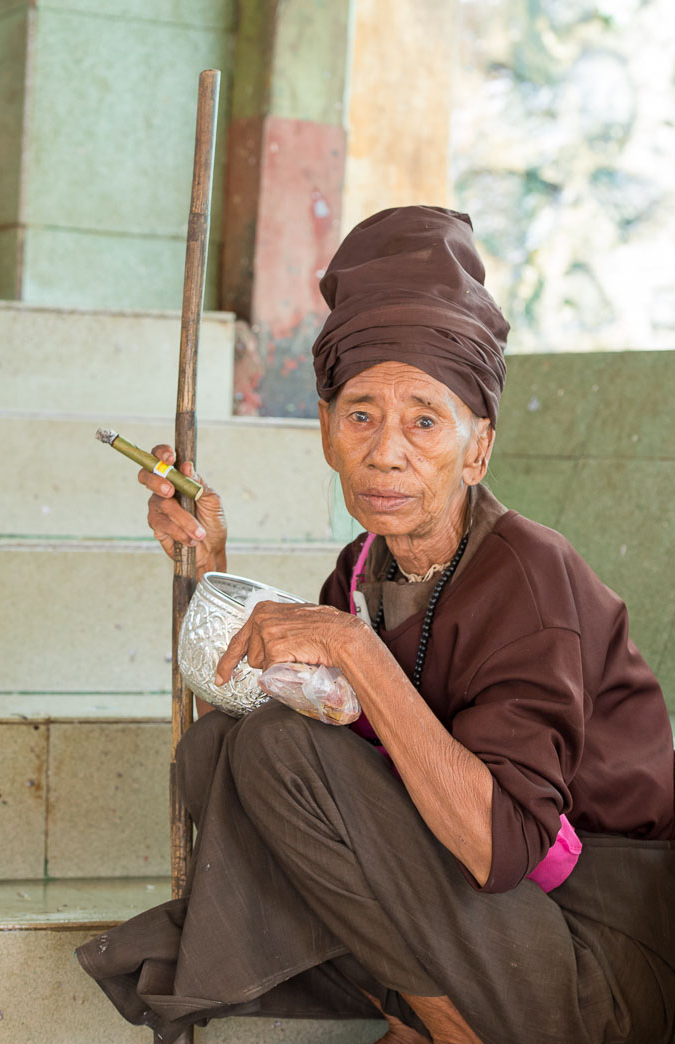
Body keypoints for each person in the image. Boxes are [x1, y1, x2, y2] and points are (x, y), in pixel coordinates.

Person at [77, 206, 675, 1044]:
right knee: (230, 750)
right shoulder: (365, 569)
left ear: (478, 449)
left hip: (598, 952)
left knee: (279, 751)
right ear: (326, 432)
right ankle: (435, 1019)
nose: (386, 451)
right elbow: (293, 766)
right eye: (360, 415)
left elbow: (503, 849)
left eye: (425, 421)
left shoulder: (530, 576)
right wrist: (209, 568)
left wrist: (355, 650)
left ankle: (445, 1030)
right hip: (487, 936)